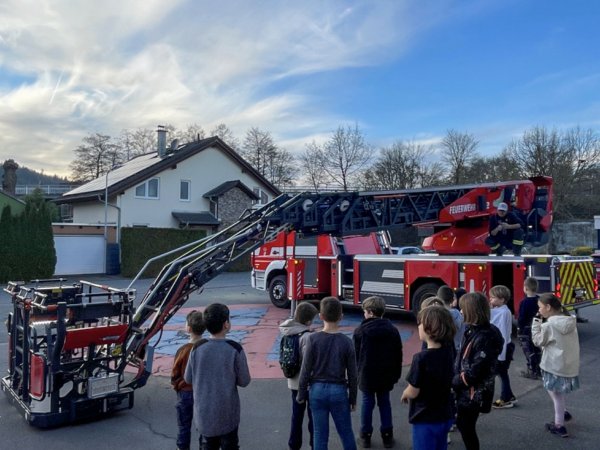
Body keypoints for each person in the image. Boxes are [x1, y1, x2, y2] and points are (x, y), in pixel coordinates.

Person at [184, 303, 251, 450]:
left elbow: (188, 378)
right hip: (227, 413)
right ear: (226, 324)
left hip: (204, 413)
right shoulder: (235, 348)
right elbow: (244, 381)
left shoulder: (197, 347)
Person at [297, 297, 358, 450]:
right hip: (338, 390)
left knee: (320, 434)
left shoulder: (312, 339)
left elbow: (305, 369)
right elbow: (352, 374)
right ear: (341, 317)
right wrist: (353, 397)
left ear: (321, 316)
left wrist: (301, 394)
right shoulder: (346, 342)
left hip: (317, 390)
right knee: (346, 432)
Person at [453, 292, 503, 450]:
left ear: (472, 311)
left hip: (473, 393)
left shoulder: (484, 337)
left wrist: (454, 381)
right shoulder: (475, 330)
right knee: (464, 425)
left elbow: (475, 372)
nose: (460, 311)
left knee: (466, 426)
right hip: (470, 391)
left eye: (463, 308)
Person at [401, 305, 455, 450]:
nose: (418, 326)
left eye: (420, 323)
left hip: (425, 416)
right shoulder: (448, 352)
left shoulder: (420, 358)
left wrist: (405, 394)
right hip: (444, 413)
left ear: (430, 329)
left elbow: (413, 390)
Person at [353, 296, 403, 448]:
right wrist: (396, 374)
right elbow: (397, 354)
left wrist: (357, 374)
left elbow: (356, 355)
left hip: (367, 374)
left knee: (367, 402)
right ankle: (387, 435)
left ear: (369, 312)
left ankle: (365, 435)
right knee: (384, 402)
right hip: (386, 374)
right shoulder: (392, 330)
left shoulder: (360, 331)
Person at [532, 293, 580, 438]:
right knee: (555, 391)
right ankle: (562, 412)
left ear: (548, 307)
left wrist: (536, 324)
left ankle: (559, 425)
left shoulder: (548, 325)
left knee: (555, 393)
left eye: (540, 307)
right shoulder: (569, 320)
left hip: (553, 365)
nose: (539, 310)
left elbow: (537, 341)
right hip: (568, 363)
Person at [279, 302, 319, 450]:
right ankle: (314, 444)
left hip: (293, 381)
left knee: (296, 416)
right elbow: (309, 363)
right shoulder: (307, 337)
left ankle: (294, 445)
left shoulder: (287, 331)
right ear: (308, 321)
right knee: (312, 417)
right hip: (307, 383)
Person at [171, 311, 206, 450]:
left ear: (189, 328)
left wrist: (177, 385)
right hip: (202, 392)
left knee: (184, 427)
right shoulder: (206, 347)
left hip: (185, 392)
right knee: (203, 427)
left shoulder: (183, 350)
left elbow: (175, 373)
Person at [489, 285, 517, 409]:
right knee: (502, 373)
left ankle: (505, 398)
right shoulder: (501, 310)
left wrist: (501, 355)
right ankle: (508, 395)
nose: (490, 300)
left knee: (498, 373)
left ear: (502, 299)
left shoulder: (504, 313)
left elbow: (503, 334)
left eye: (493, 298)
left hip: (502, 348)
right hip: (503, 348)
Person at [517, 277, 542, 379]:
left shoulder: (524, 302)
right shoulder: (539, 299)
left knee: (529, 350)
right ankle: (539, 369)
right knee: (537, 349)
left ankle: (532, 370)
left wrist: (519, 329)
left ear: (526, 288)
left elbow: (522, 317)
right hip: (538, 328)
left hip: (527, 330)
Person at [437, 285, 465, 353]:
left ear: (438, 299)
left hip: (441, 351)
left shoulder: (438, 315)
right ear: (452, 299)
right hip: (457, 350)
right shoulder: (459, 315)